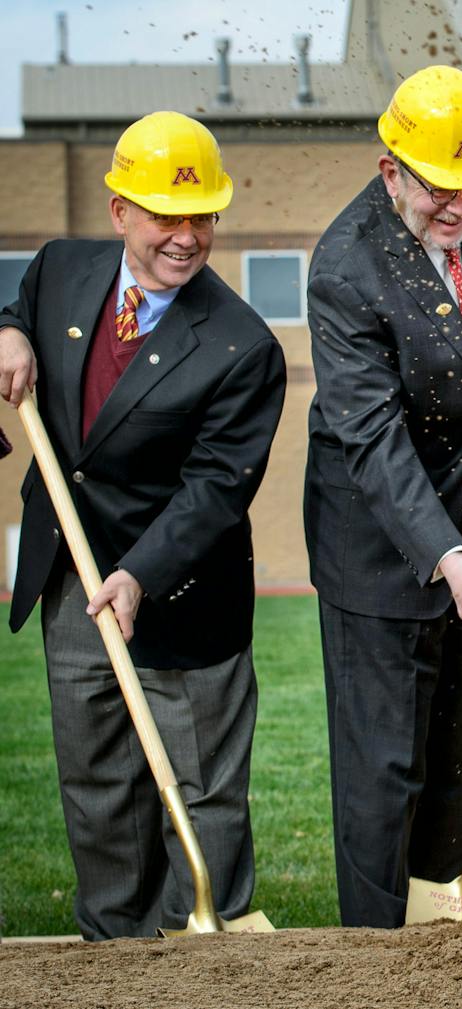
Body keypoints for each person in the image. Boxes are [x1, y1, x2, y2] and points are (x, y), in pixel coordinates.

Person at [0, 112, 284, 940]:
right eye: (167, 215)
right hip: (72, 581)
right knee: (98, 787)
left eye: (202, 217)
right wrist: (10, 332)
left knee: (198, 792)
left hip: (180, 594)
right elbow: (20, 310)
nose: (187, 237)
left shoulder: (242, 347)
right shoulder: (59, 270)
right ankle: (110, 954)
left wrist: (138, 575)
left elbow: (213, 490)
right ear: (120, 209)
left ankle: (203, 954)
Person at [303, 65, 462, 928]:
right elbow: (370, 440)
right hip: (381, 542)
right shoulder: (344, 268)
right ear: (391, 172)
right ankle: (372, 956)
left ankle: (439, 924)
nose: (460, 209)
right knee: (385, 770)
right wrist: (446, 558)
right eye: (440, 192)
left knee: (459, 749)